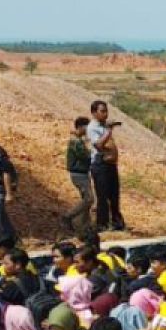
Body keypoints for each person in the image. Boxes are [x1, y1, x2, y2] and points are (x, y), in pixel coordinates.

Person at [87, 100, 126, 232]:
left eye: (106, 111)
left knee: (114, 194)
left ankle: (116, 222)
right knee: (102, 196)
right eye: (102, 111)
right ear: (94, 113)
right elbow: (98, 145)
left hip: (110, 164)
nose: (105, 114)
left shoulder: (103, 126)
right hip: (100, 165)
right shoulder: (92, 127)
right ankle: (102, 225)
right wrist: (108, 131)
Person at [63, 115, 94, 238]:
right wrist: (89, 144)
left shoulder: (77, 140)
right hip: (79, 174)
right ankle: (68, 216)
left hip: (82, 173)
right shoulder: (76, 141)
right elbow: (85, 156)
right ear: (81, 127)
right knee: (89, 199)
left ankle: (83, 228)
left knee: (86, 202)